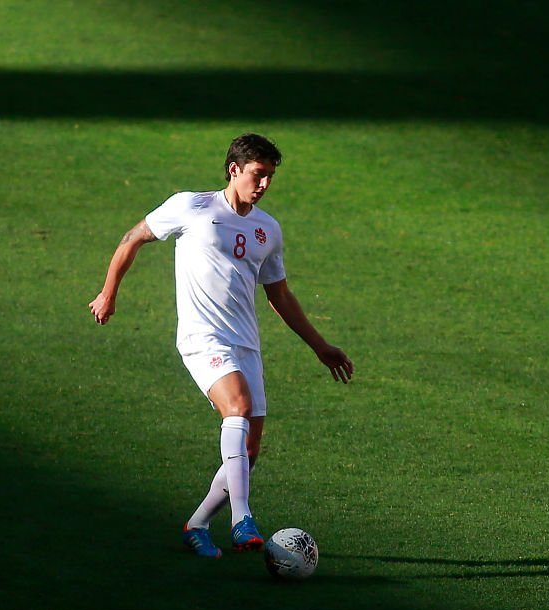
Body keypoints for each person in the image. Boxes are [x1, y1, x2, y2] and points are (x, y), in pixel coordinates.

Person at [89, 133, 354, 558]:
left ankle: (196, 524)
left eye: (270, 176)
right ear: (234, 170)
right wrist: (108, 292)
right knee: (239, 409)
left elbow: (279, 295)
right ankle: (241, 517)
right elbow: (132, 237)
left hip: (245, 342)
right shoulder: (191, 206)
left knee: (249, 450)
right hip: (201, 337)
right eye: (258, 174)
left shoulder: (268, 230)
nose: (264, 184)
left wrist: (319, 346)